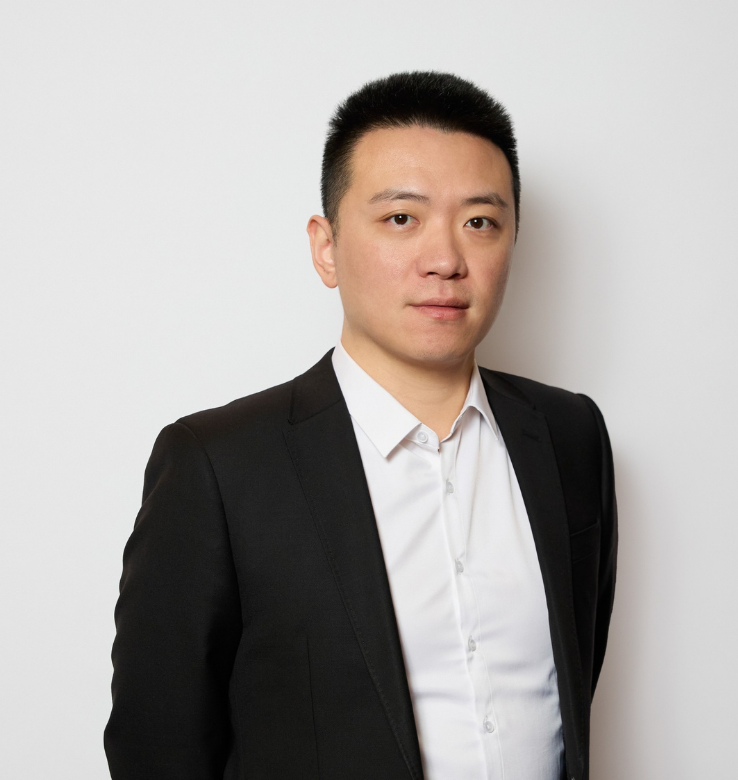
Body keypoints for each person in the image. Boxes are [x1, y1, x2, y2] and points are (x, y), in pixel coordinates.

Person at [104, 71, 618, 780]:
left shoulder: (570, 437)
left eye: (480, 222)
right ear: (326, 247)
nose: (444, 260)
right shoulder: (219, 466)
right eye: (401, 219)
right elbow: (157, 749)